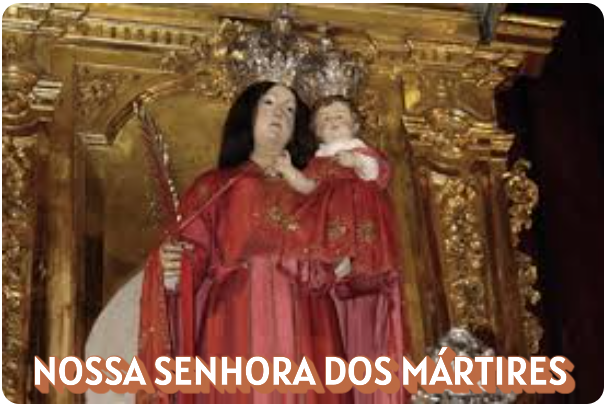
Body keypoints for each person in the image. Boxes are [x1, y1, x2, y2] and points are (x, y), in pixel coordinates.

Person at [137, 81, 351, 404]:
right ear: (248, 113)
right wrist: (171, 267)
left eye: (290, 109)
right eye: (269, 103)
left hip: (307, 326)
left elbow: (345, 250)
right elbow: (191, 255)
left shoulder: (316, 191)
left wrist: (339, 261)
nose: (280, 113)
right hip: (234, 329)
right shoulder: (214, 188)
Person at [275, 95, 411, 404]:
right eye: (325, 120)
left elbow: (378, 173)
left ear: (355, 123)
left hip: (363, 219)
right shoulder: (319, 162)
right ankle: (338, 267)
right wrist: (287, 169)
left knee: (364, 247)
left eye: (339, 116)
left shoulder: (362, 151)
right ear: (317, 132)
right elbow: (307, 187)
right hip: (331, 224)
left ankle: (360, 265)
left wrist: (357, 161)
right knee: (329, 247)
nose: (333, 122)